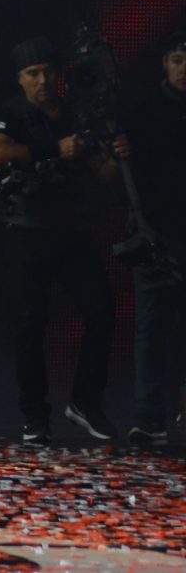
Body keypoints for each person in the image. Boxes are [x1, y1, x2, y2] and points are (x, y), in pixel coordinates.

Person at [0, 36, 122, 443]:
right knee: (30, 324)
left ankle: (84, 402)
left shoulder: (77, 114)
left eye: (48, 71)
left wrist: (113, 153)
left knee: (102, 313)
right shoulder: (11, 112)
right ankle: (34, 415)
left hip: (72, 232)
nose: (42, 80)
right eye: (33, 73)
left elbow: (106, 176)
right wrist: (52, 149)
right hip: (27, 232)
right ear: (21, 79)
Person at [122, 28, 186, 444]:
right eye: (178, 59)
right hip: (156, 233)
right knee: (152, 325)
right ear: (165, 64)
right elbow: (120, 174)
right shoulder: (143, 111)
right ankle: (151, 418)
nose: (185, 68)